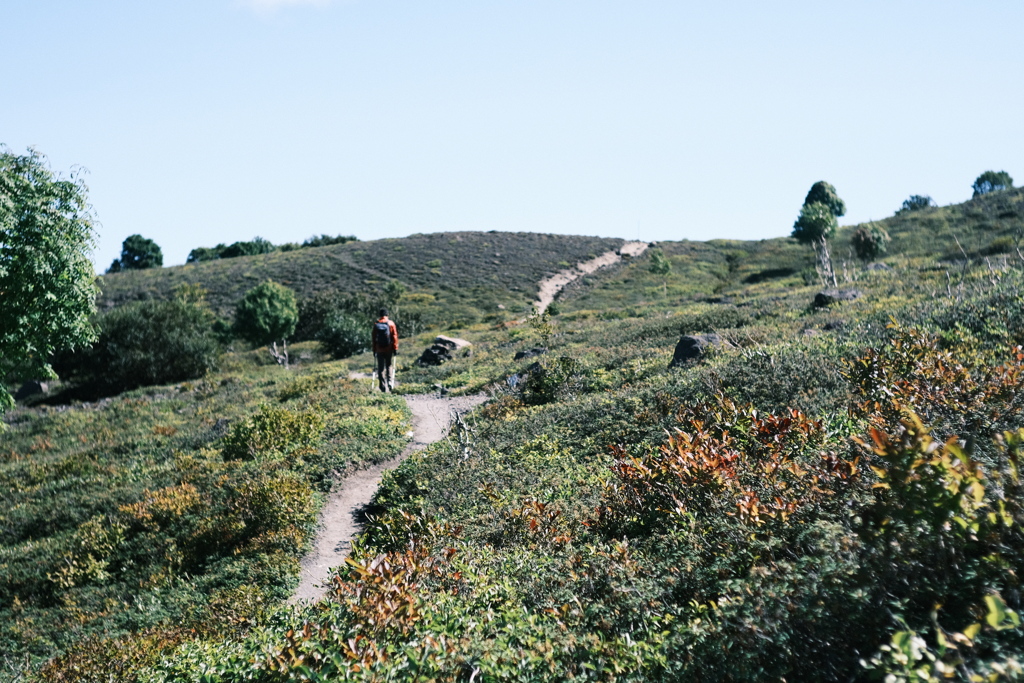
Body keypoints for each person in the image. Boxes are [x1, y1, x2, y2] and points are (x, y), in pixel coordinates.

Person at [372, 308, 399, 393]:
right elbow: (394, 337)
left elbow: (373, 339)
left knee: (381, 367)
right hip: (389, 348)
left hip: (379, 349)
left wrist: (374, 349)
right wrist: (395, 348)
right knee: (389, 365)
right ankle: (390, 382)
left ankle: (382, 386)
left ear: (380, 315)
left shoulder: (376, 324)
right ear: (387, 314)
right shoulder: (391, 324)